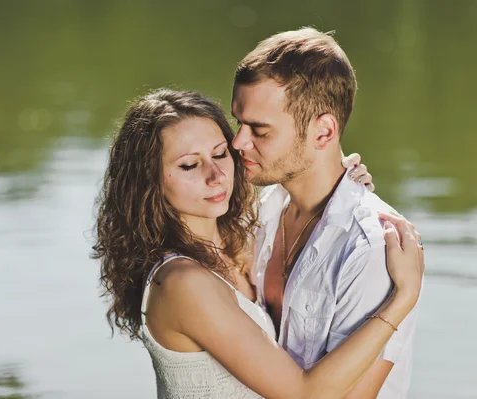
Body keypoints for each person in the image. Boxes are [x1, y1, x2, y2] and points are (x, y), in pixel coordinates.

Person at [93, 88, 423, 398]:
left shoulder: (240, 240)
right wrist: (403, 297)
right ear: (148, 182)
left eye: (220, 154)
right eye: (190, 165)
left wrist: (340, 184)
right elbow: (303, 393)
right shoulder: (183, 282)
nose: (216, 175)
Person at [231, 27, 421, 398]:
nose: (239, 141)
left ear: (323, 133)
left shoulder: (373, 248)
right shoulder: (255, 214)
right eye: (239, 122)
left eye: (260, 130)